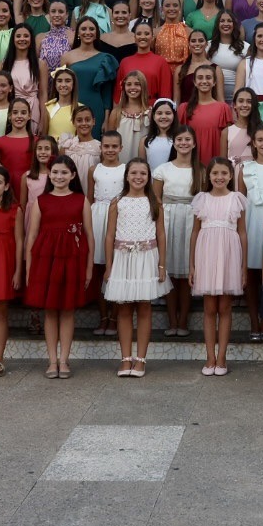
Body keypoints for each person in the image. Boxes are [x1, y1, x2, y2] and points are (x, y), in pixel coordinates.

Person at [23, 155, 93, 379]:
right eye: (55, 172)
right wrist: (28, 268)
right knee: (50, 310)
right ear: (49, 174)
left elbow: (90, 237)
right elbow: (32, 236)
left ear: (73, 175)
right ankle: (52, 360)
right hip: (46, 259)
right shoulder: (41, 202)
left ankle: (65, 360)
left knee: (68, 310)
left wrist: (89, 268)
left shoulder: (81, 200)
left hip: (73, 259)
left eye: (64, 172)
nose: (59, 176)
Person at [105, 159, 171, 377]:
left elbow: (161, 233)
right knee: (124, 308)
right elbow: (109, 235)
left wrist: (162, 263)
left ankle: (141, 359)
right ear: (126, 176)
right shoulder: (117, 202)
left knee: (144, 308)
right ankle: (125, 358)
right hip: (123, 259)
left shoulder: (154, 202)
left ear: (148, 176)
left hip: (147, 258)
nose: (138, 177)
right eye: (133, 172)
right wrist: (109, 266)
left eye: (143, 173)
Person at [190, 157, 248, 375]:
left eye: (224, 173)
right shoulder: (201, 199)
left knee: (224, 308)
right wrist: (192, 265)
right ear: (209, 176)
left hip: (229, 255)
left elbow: (242, 232)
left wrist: (243, 266)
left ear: (231, 176)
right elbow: (195, 232)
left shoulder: (236, 199)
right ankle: (210, 357)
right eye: (215, 173)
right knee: (209, 308)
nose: (220, 177)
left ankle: (222, 357)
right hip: (206, 255)